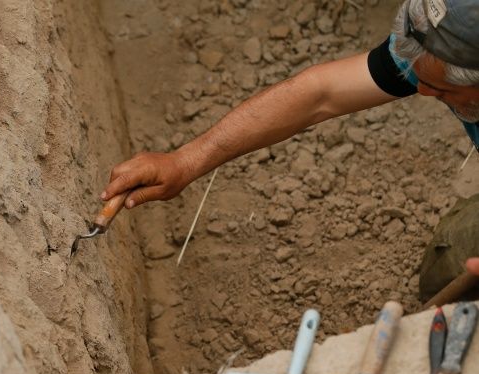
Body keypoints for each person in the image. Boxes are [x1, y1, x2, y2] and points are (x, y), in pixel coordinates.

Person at [101, 0, 479, 287]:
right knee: (448, 268)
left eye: (443, 89)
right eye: (418, 77)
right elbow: (319, 95)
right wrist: (184, 161)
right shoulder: (440, 45)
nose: (423, 92)